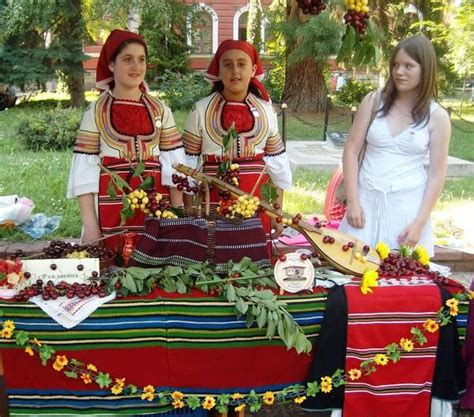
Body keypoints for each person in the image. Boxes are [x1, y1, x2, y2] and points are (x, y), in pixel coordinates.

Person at [67, 29, 185, 251]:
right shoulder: (96, 112)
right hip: (111, 211)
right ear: (111, 65)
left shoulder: (160, 109)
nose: (136, 67)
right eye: (127, 59)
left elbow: (174, 168)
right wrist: (91, 228)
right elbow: (85, 172)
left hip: (155, 208)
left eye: (141, 60)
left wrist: (177, 219)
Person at [339, 35, 451, 257]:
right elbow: (351, 151)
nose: (399, 72)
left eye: (409, 66)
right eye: (396, 65)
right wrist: (353, 202)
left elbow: (437, 175)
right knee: (353, 275)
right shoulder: (373, 102)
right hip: (364, 206)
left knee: (403, 279)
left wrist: (419, 223)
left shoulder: (437, 117)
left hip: (407, 210)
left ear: (425, 69)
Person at [182, 39, 292, 241]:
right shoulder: (200, 110)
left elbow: (277, 165)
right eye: (228, 64)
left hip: (257, 201)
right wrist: (188, 211)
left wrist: (277, 212)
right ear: (218, 70)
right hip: (213, 201)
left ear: (253, 70)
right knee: (214, 257)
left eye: (242, 64)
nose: (235, 71)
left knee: (255, 257)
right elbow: (187, 166)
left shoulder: (267, 111)